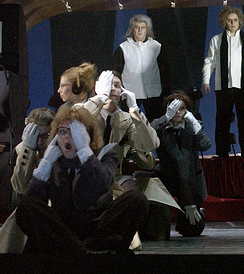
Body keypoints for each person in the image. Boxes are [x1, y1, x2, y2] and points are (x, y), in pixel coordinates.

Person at [15, 105, 148, 254]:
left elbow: (104, 184)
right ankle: (82, 253)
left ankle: (85, 251)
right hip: (62, 233)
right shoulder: (52, 160)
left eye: (75, 132)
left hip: (97, 230)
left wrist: (84, 151)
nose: (67, 137)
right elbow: (32, 203)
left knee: (137, 200)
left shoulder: (105, 155)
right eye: (62, 131)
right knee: (26, 206)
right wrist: (45, 165)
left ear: (87, 135)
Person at [202, 6, 244, 157]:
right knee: (222, 121)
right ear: (224, 22)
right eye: (229, 20)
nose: (232, 23)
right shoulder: (217, 40)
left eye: (235, 20)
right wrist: (206, 81)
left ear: (240, 21)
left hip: (243, 86)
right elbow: (209, 62)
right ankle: (222, 154)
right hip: (223, 87)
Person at [152, 91, 212, 237]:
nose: (177, 112)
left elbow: (205, 145)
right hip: (169, 178)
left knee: (191, 229)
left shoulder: (192, 126)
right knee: (159, 230)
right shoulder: (161, 127)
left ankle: (197, 212)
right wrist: (166, 118)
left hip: (191, 180)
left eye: (182, 108)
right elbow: (147, 133)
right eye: (174, 108)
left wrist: (194, 123)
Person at [90, 70, 160, 195]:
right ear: (98, 87)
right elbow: (76, 121)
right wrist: (100, 97)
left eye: (117, 85)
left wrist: (134, 109)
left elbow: (151, 144)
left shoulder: (126, 119)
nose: (112, 89)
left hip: (112, 182)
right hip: (85, 179)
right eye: (108, 84)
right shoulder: (84, 110)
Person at [0, 108, 55, 253]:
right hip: (31, 216)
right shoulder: (23, 150)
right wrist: (29, 149)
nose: (41, 142)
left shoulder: (61, 150)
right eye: (36, 135)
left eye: (46, 135)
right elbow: (20, 186)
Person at [113, 14, 171, 122]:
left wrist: (166, 92)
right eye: (137, 27)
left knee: (156, 123)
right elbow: (116, 72)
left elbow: (165, 71)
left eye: (143, 28)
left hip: (154, 92)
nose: (140, 31)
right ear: (132, 29)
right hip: (130, 93)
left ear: (147, 29)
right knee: (128, 123)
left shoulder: (157, 47)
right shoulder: (123, 48)